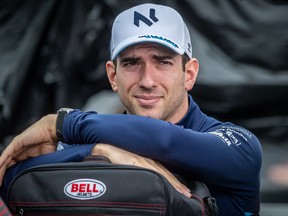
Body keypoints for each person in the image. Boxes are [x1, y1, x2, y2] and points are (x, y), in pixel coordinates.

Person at [0, 3, 262, 216]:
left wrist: (64, 123)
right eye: (132, 63)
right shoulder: (87, 149)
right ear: (113, 76)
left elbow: (166, 141)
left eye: (163, 62)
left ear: (189, 73)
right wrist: (96, 151)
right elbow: (14, 179)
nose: (147, 80)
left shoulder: (239, 145)